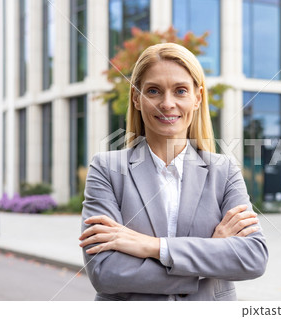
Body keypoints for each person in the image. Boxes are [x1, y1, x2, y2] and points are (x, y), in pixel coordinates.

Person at [79, 43, 268, 301]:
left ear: (197, 97)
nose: (167, 104)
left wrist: (152, 247)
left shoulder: (224, 171)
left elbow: (252, 257)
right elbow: (105, 272)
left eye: (180, 91)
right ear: (136, 98)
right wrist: (211, 254)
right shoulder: (107, 169)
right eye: (154, 91)